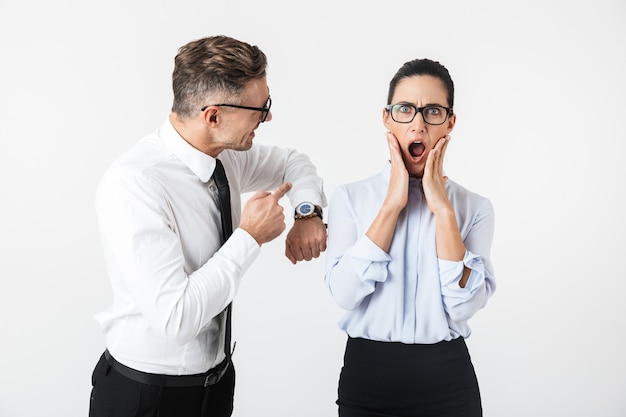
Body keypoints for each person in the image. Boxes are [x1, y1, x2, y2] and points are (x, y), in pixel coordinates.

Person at [89, 35, 327, 417]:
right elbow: (176, 318)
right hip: (147, 397)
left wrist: (307, 212)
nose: (267, 118)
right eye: (259, 108)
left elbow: (293, 163)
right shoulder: (135, 185)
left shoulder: (225, 156)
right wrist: (249, 237)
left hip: (215, 387)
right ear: (213, 116)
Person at [324, 58, 496, 417]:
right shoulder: (349, 198)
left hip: (447, 381)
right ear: (387, 118)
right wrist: (392, 203)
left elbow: (464, 306)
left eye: (432, 111)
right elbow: (344, 293)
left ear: (450, 123)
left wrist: (444, 211)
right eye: (405, 110)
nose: (418, 124)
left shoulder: (474, 207)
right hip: (367, 377)